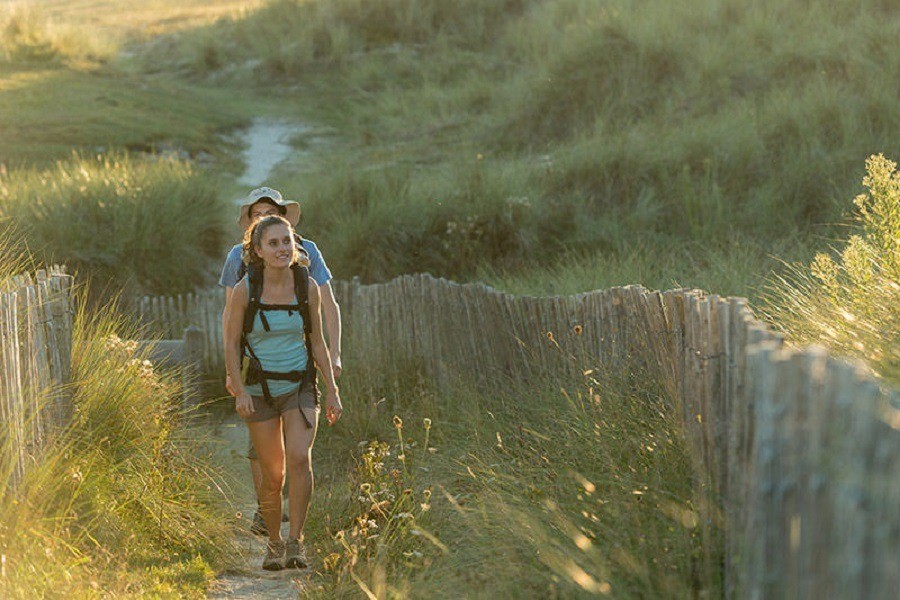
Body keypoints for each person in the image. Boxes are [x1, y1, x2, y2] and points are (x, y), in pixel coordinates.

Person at [219, 187, 342, 537]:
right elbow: (231, 322)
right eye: (258, 214)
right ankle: (267, 515)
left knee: (299, 458)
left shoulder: (308, 260)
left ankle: (293, 539)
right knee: (267, 461)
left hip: (299, 375)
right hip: (257, 371)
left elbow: (325, 311)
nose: (281, 247)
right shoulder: (238, 263)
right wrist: (235, 377)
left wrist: (334, 359)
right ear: (255, 243)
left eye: (271, 213)